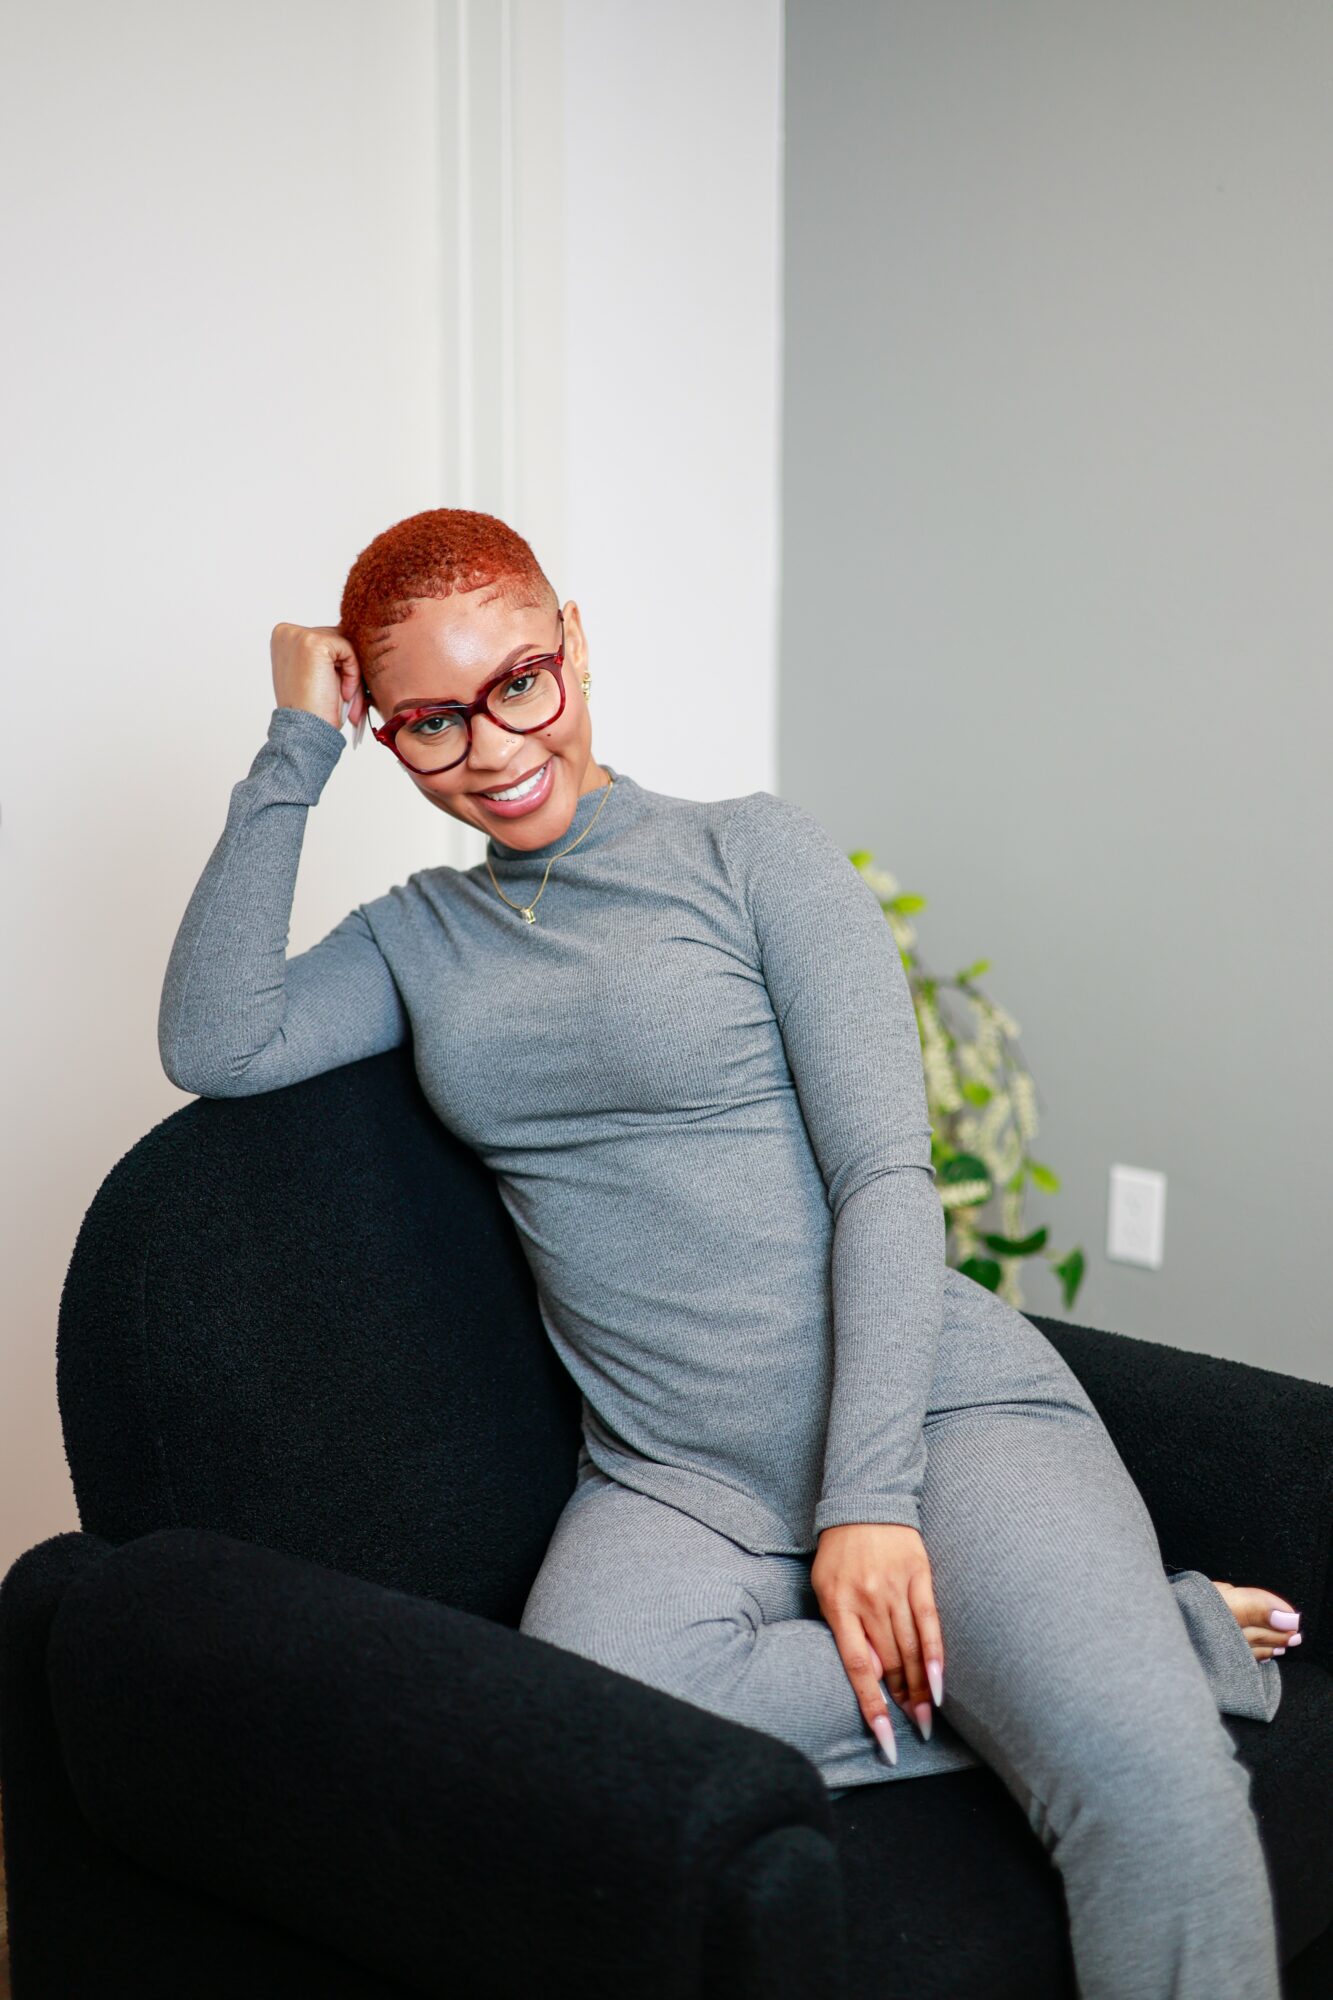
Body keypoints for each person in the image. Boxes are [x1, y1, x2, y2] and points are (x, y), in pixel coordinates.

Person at [158, 507, 1299, 1998]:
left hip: (927, 1414)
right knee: (581, 1733)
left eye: (518, 684)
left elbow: (889, 1176)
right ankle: (1140, 1649)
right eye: (428, 724)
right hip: (670, 1477)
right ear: (382, 728)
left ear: (573, 641)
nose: (493, 751)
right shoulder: (413, 939)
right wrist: (289, 746)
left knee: (1154, 1800)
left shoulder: (746, 851)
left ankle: (1109, 1686)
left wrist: (869, 1499)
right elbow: (215, 1038)